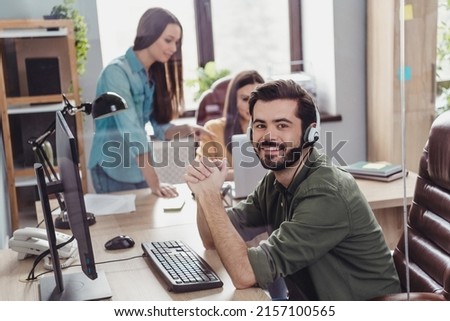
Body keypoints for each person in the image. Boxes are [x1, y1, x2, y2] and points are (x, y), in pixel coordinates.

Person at [184, 79, 401, 300]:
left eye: (282, 125)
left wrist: (211, 197)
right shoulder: (276, 181)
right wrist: (204, 190)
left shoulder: (326, 193)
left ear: (310, 132)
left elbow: (244, 274)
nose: (269, 136)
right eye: (260, 126)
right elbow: (211, 239)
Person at [89, 7, 213, 197]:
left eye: (177, 42)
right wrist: (155, 182)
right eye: (168, 40)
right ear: (148, 35)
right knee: (121, 227)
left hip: (138, 169)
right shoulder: (116, 73)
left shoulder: (154, 75)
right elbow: (132, 131)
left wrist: (189, 130)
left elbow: (160, 127)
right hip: (112, 168)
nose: (173, 48)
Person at [196, 70, 264, 181]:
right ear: (234, 100)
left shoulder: (273, 129)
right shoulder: (213, 129)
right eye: (245, 99)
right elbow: (202, 172)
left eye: (257, 99)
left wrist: (225, 174)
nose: (251, 105)